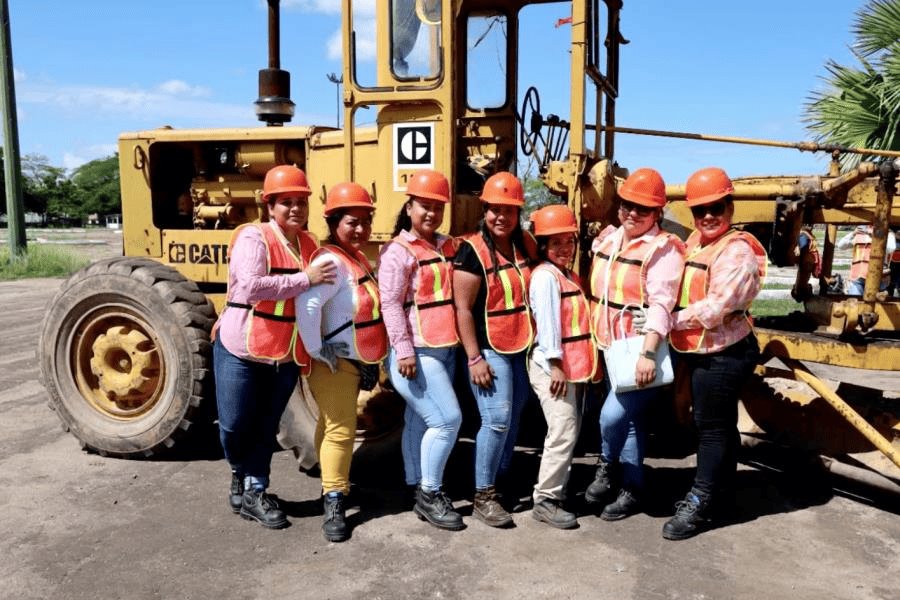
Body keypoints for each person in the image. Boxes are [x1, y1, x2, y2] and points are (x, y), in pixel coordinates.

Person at [211, 165, 335, 529]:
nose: (295, 209)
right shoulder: (254, 238)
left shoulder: (310, 245)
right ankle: (239, 469)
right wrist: (304, 279)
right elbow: (250, 287)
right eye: (286, 203)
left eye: (301, 202)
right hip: (241, 348)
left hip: (284, 354)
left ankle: (255, 489)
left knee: (265, 427)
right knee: (233, 425)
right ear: (270, 206)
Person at [664, 167, 767, 541]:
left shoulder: (737, 251)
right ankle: (723, 489)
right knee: (718, 425)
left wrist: (667, 320)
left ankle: (702, 498)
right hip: (700, 348)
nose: (708, 216)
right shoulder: (698, 241)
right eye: (700, 210)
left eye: (716, 208)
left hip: (725, 351)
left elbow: (716, 306)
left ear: (730, 206)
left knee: (711, 426)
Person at [584, 168, 685, 521]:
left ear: (658, 213)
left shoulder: (663, 249)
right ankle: (633, 488)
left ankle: (608, 465)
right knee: (631, 422)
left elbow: (661, 302)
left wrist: (648, 353)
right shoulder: (609, 239)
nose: (632, 214)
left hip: (636, 351)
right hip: (608, 346)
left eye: (643, 210)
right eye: (627, 205)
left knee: (612, 416)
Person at [296, 182, 388, 542]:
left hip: (351, 358)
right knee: (340, 430)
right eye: (353, 221)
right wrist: (317, 349)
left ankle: (331, 484)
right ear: (334, 221)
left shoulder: (355, 257)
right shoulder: (331, 260)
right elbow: (308, 306)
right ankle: (334, 500)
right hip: (334, 363)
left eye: (366, 221)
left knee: (329, 424)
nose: (361, 229)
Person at [378, 169, 465, 531]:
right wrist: (403, 351)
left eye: (437, 207)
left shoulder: (446, 245)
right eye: (423, 206)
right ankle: (431, 493)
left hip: (444, 349)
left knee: (418, 420)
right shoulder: (397, 253)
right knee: (447, 420)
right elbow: (390, 303)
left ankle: (415, 485)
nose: (430, 213)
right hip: (416, 352)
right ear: (409, 206)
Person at [452, 171, 536, 528]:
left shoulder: (523, 245)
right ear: (484, 210)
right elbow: (462, 309)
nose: (502, 217)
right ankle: (483, 495)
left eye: (510, 210)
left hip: (520, 347)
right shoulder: (471, 251)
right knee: (496, 420)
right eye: (494, 210)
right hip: (490, 350)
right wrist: (474, 358)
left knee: (515, 417)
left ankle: (500, 483)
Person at [527, 205, 598, 530]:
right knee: (563, 431)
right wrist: (555, 365)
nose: (564, 249)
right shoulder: (545, 277)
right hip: (553, 366)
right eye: (555, 244)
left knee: (568, 431)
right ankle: (546, 500)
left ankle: (556, 492)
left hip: (570, 366)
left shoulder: (566, 275)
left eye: (568, 242)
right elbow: (548, 325)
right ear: (543, 246)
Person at [836, 224, 896, 296]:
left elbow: (890, 248)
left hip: (878, 277)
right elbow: (840, 245)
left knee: (876, 305)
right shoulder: (859, 234)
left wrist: (876, 237)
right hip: (857, 277)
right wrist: (853, 233)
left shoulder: (888, 233)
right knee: (856, 304)